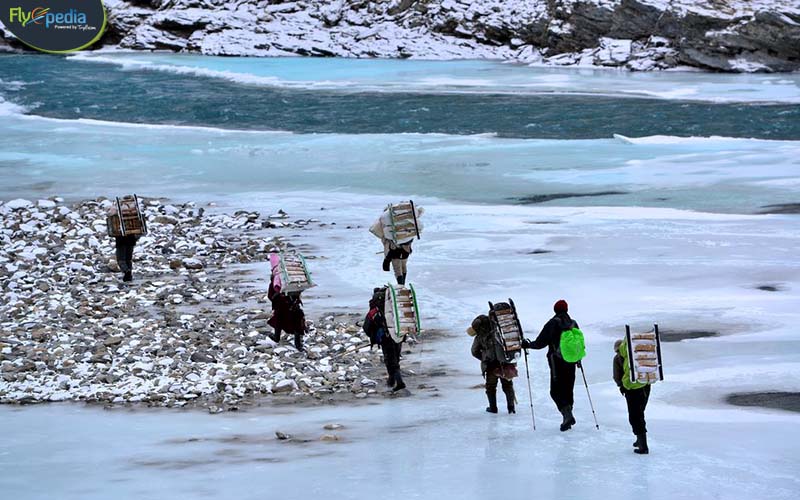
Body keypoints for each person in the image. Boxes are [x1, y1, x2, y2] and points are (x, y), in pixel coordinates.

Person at [521, 299, 580, 431]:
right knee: (568, 389)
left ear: (555, 310)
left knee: (555, 391)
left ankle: (567, 415)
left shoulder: (553, 323)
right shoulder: (573, 323)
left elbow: (541, 342)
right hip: (571, 361)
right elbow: (578, 343)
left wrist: (528, 345)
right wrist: (578, 359)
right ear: (566, 309)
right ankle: (568, 416)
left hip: (557, 362)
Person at [469, 314, 517, 414]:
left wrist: (483, 357)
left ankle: (493, 408)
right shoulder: (500, 331)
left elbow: (474, 351)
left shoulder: (480, 336)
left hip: (490, 365)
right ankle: (511, 407)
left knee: (491, 387)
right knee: (507, 385)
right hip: (505, 363)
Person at [363, 288, 406, 392]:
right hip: (397, 335)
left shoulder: (374, 311)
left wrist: (374, 338)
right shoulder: (395, 308)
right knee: (395, 357)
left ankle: (399, 382)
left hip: (385, 338)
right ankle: (391, 381)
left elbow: (367, 327)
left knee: (390, 359)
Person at [613, 339, 651, 454]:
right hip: (645, 386)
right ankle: (640, 440)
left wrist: (621, 386)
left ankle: (643, 446)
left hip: (632, 390)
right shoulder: (637, 355)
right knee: (640, 413)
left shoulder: (618, 358)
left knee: (635, 416)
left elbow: (617, 376)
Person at [106, 204, 138, 282]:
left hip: (121, 240)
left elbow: (109, 215)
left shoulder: (117, 218)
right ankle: (129, 275)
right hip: (131, 239)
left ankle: (126, 272)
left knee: (121, 260)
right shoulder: (131, 217)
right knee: (128, 259)